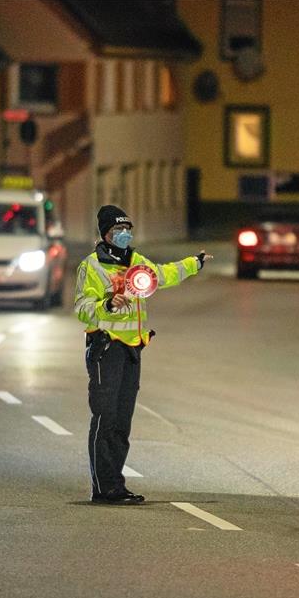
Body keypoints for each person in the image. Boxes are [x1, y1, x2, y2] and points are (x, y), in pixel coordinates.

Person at [74, 205, 211, 505]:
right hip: (105, 348)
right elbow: (81, 307)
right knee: (105, 416)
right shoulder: (92, 266)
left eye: (127, 229)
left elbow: (162, 275)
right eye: (117, 231)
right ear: (105, 234)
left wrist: (194, 264)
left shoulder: (137, 262)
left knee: (122, 421)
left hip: (132, 349)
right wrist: (107, 305)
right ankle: (104, 488)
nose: (124, 235)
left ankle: (116, 485)